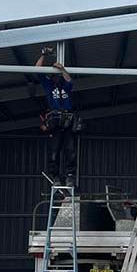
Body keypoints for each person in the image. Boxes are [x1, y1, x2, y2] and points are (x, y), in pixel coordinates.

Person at [36, 48, 77, 187]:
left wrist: (62, 69)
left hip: (67, 121)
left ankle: (70, 175)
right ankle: (55, 176)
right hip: (55, 122)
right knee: (54, 151)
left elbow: (70, 80)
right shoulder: (49, 85)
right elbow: (37, 70)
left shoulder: (65, 86)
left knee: (70, 150)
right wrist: (43, 55)